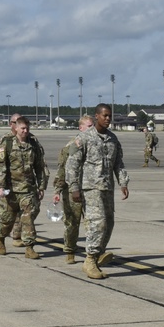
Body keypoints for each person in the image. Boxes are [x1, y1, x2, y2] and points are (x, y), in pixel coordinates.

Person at [66, 103, 130, 279]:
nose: (108, 119)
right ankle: (90, 260)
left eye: (110, 116)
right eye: (105, 116)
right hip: (90, 188)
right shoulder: (84, 138)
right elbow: (72, 164)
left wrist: (123, 182)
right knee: (98, 223)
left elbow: (118, 163)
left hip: (107, 188)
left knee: (109, 224)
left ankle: (98, 254)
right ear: (96, 117)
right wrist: (74, 187)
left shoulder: (113, 139)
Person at [0, 116, 49, 259]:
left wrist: (41, 186)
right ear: (16, 128)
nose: (25, 131)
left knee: (28, 218)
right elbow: (0, 167)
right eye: (22, 128)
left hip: (28, 189)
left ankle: (29, 248)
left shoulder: (33, 144)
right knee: (7, 219)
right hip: (10, 190)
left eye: (27, 128)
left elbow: (40, 166)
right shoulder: (7, 143)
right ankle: (0, 238)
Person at [53, 115, 93, 264]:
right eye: (89, 127)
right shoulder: (71, 146)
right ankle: (70, 251)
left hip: (90, 190)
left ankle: (93, 254)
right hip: (72, 190)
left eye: (93, 126)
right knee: (72, 223)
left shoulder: (95, 144)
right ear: (80, 128)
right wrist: (57, 191)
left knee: (93, 223)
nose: (92, 129)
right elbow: (62, 170)